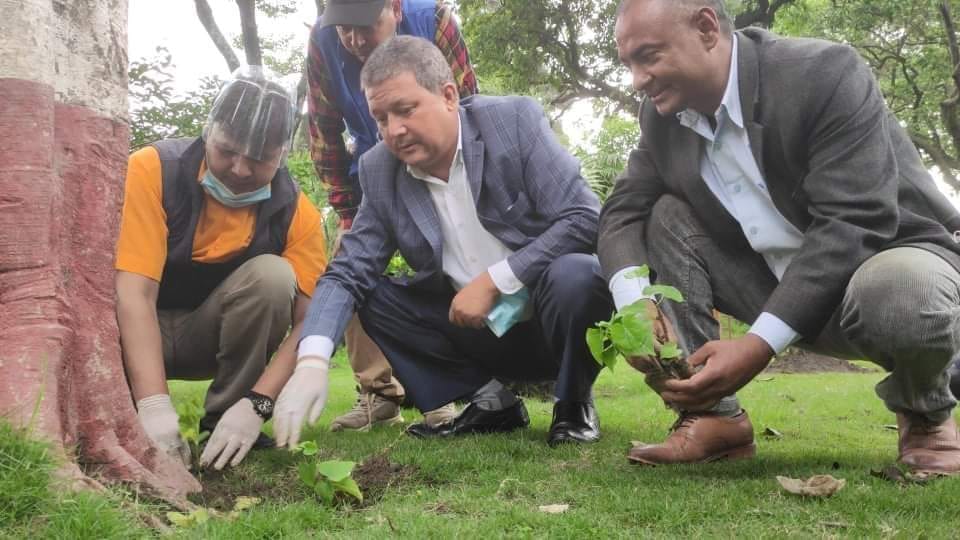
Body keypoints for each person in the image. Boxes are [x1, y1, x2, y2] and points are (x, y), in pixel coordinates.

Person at [599, 0, 960, 473]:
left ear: (707, 28)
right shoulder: (663, 119)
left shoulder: (822, 73)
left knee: (906, 289)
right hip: (769, 282)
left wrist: (757, 344)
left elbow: (855, 222)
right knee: (664, 213)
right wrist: (633, 305)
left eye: (648, 56)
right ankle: (712, 417)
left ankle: (926, 414)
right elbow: (622, 210)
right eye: (628, 63)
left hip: (878, 267)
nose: (638, 80)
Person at [274, 35, 613, 449]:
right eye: (380, 118)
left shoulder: (513, 123)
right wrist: (312, 359)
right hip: (469, 331)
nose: (394, 131)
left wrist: (494, 281)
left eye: (405, 109)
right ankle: (491, 402)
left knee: (578, 273)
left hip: (549, 319)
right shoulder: (380, 170)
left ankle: (573, 401)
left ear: (449, 95)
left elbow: (584, 217)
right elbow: (348, 271)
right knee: (374, 295)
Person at [116, 66, 327, 471]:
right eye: (227, 150)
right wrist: (156, 406)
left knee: (272, 275)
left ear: (282, 154)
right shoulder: (152, 170)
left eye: (260, 159)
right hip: (138, 331)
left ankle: (228, 420)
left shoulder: (296, 213)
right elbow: (134, 293)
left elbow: (310, 323)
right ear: (208, 130)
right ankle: (127, 414)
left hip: (209, 340)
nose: (241, 169)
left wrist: (259, 402)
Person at [307, 0, 478, 431]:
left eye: (366, 26)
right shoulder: (324, 43)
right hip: (375, 176)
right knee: (351, 263)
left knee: (450, 264)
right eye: (345, 28)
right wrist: (347, 211)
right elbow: (324, 133)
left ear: (396, 8)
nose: (355, 40)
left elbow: (469, 105)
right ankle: (377, 393)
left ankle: (450, 391)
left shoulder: (434, 21)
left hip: (442, 167)